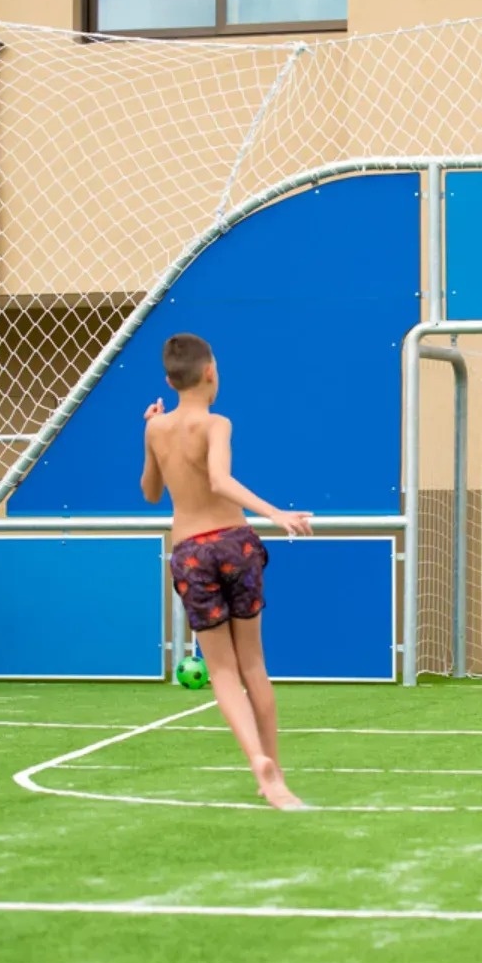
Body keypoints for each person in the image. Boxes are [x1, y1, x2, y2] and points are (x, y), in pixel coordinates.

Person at [140, 332, 314, 811]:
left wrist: (150, 432)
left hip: (191, 551)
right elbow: (219, 479)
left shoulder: (155, 430)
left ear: (170, 380)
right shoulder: (217, 423)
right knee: (253, 664)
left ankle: (255, 759)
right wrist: (276, 512)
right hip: (234, 544)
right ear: (211, 372)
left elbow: (151, 492)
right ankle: (273, 773)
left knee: (221, 670)